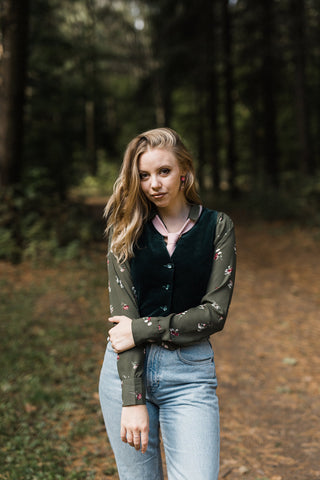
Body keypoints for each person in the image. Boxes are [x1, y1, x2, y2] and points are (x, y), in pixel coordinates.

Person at [99, 127, 236, 480]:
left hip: (189, 374)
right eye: (144, 176)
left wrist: (143, 328)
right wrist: (132, 398)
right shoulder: (125, 229)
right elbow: (122, 319)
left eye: (164, 172)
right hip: (125, 373)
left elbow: (214, 314)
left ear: (184, 172)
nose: (154, 184)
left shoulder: (217, 227)